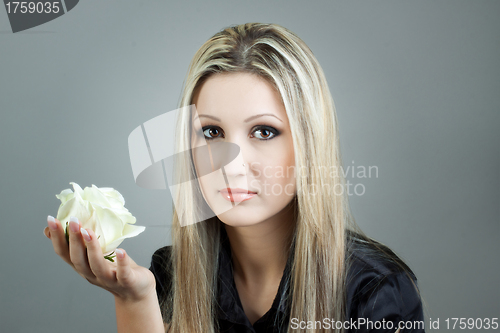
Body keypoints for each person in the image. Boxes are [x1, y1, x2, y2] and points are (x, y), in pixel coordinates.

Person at [44, 23, 425, 333]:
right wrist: (133, 300)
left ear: (311, 145)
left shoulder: (375, 291)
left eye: (264, 132)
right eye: (211, 133)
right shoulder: (170, 274)